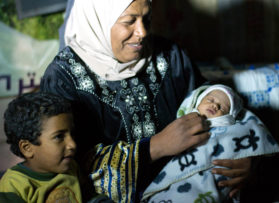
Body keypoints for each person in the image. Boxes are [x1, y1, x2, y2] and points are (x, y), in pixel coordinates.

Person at [40, 0, 253, 202]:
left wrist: (240, 154)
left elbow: (219, 110)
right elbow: (64, 167)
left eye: (147, 19)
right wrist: (154, 147)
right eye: (129, 21)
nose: (142, 33)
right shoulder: (62, 78)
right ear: (98, 18)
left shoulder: (170, 56)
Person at [142, 84, 279, 202]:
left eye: (222, 108)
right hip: (175, 180)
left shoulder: (232, 130)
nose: (214, 105)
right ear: (196, 102)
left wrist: (250, 160)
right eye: (210, 99)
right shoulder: (184, 122)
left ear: (229, 117)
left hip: (213, 179)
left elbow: (245, 143)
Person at [0, 92, 82, 203]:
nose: (72, 144)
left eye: (72, 134)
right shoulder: (13, 185)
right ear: (27, 148)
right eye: (59, 136)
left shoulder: (72, 167)